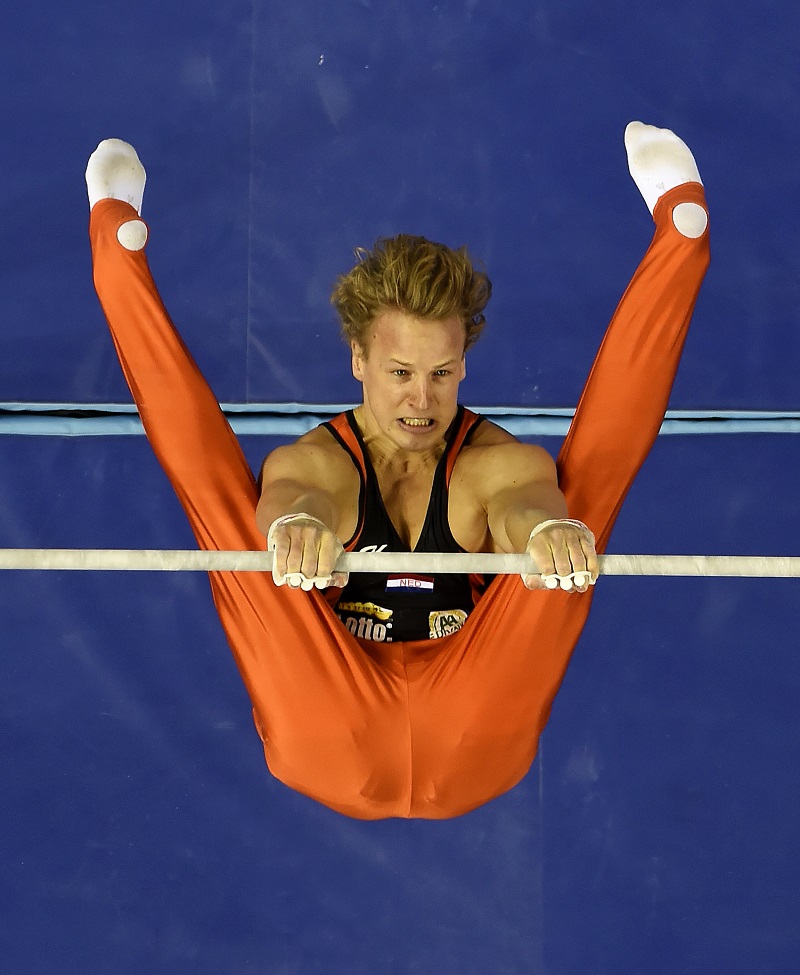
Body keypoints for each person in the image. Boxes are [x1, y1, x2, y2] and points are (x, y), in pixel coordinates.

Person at [86, 121, 709, 819]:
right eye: (401, 372)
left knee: (574, 518)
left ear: (465, 364)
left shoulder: (491, 461)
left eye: (443, 373)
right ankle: (114, 249)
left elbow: (521, 499)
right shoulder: (320, 462)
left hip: (474, 732)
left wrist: (544, 533)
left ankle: (682, 236)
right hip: (330, 728)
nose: (422, 398)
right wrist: (297, 527)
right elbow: (301, 494)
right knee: (236, 527)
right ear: (358, 360)